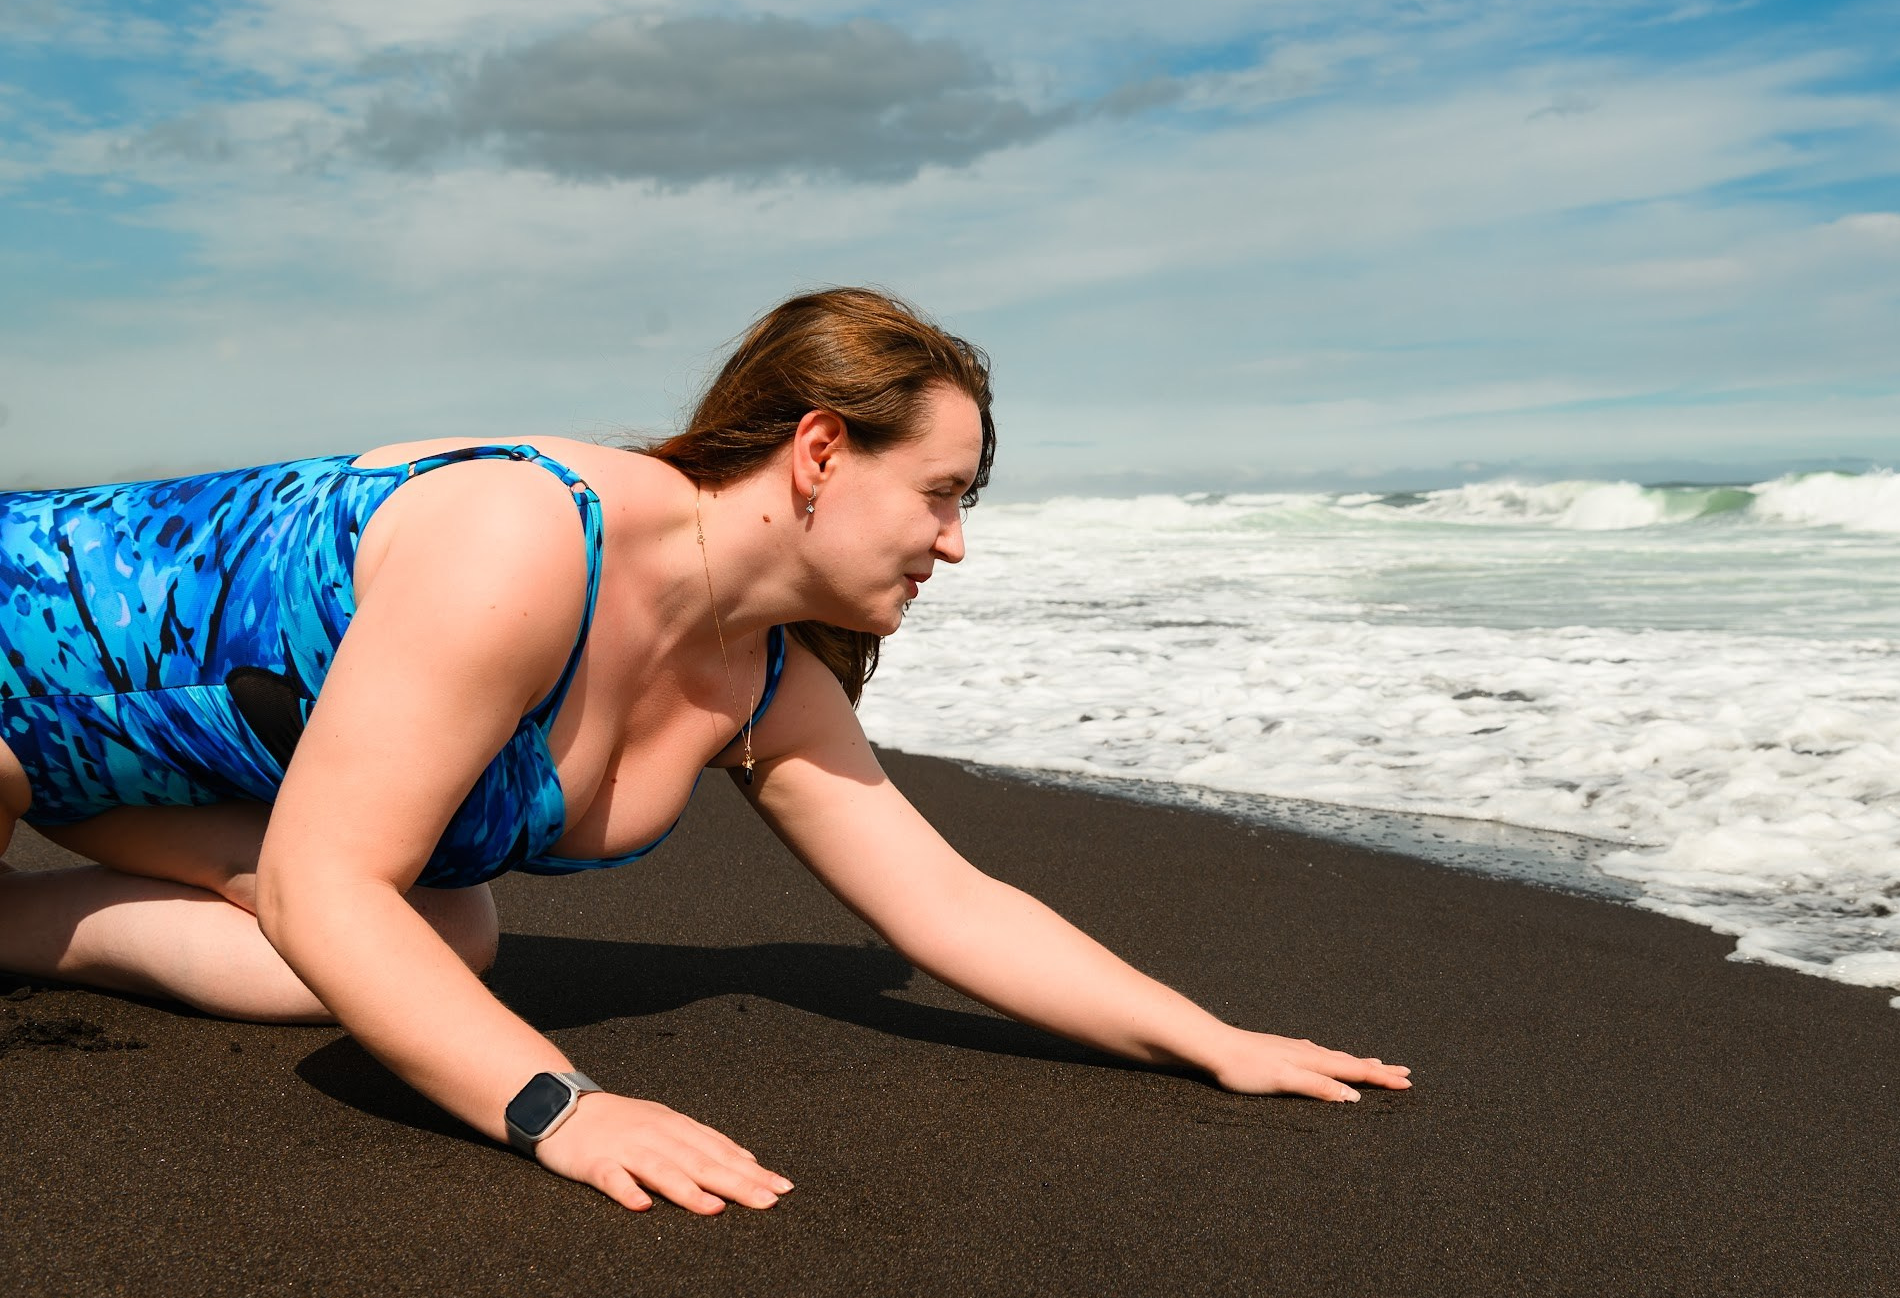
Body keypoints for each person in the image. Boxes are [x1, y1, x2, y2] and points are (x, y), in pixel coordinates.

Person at [0, 288, 1411, 1213]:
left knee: (449, 934)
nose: (954, 544)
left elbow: (948, 901)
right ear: (820, 451)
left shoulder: (761, 682)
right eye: (939, 494)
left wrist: (1208, 1041)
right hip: (21, 664)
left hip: (123, 763)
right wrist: (561, 1110)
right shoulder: (524, 536)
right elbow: (324, 888)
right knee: (359, 912)